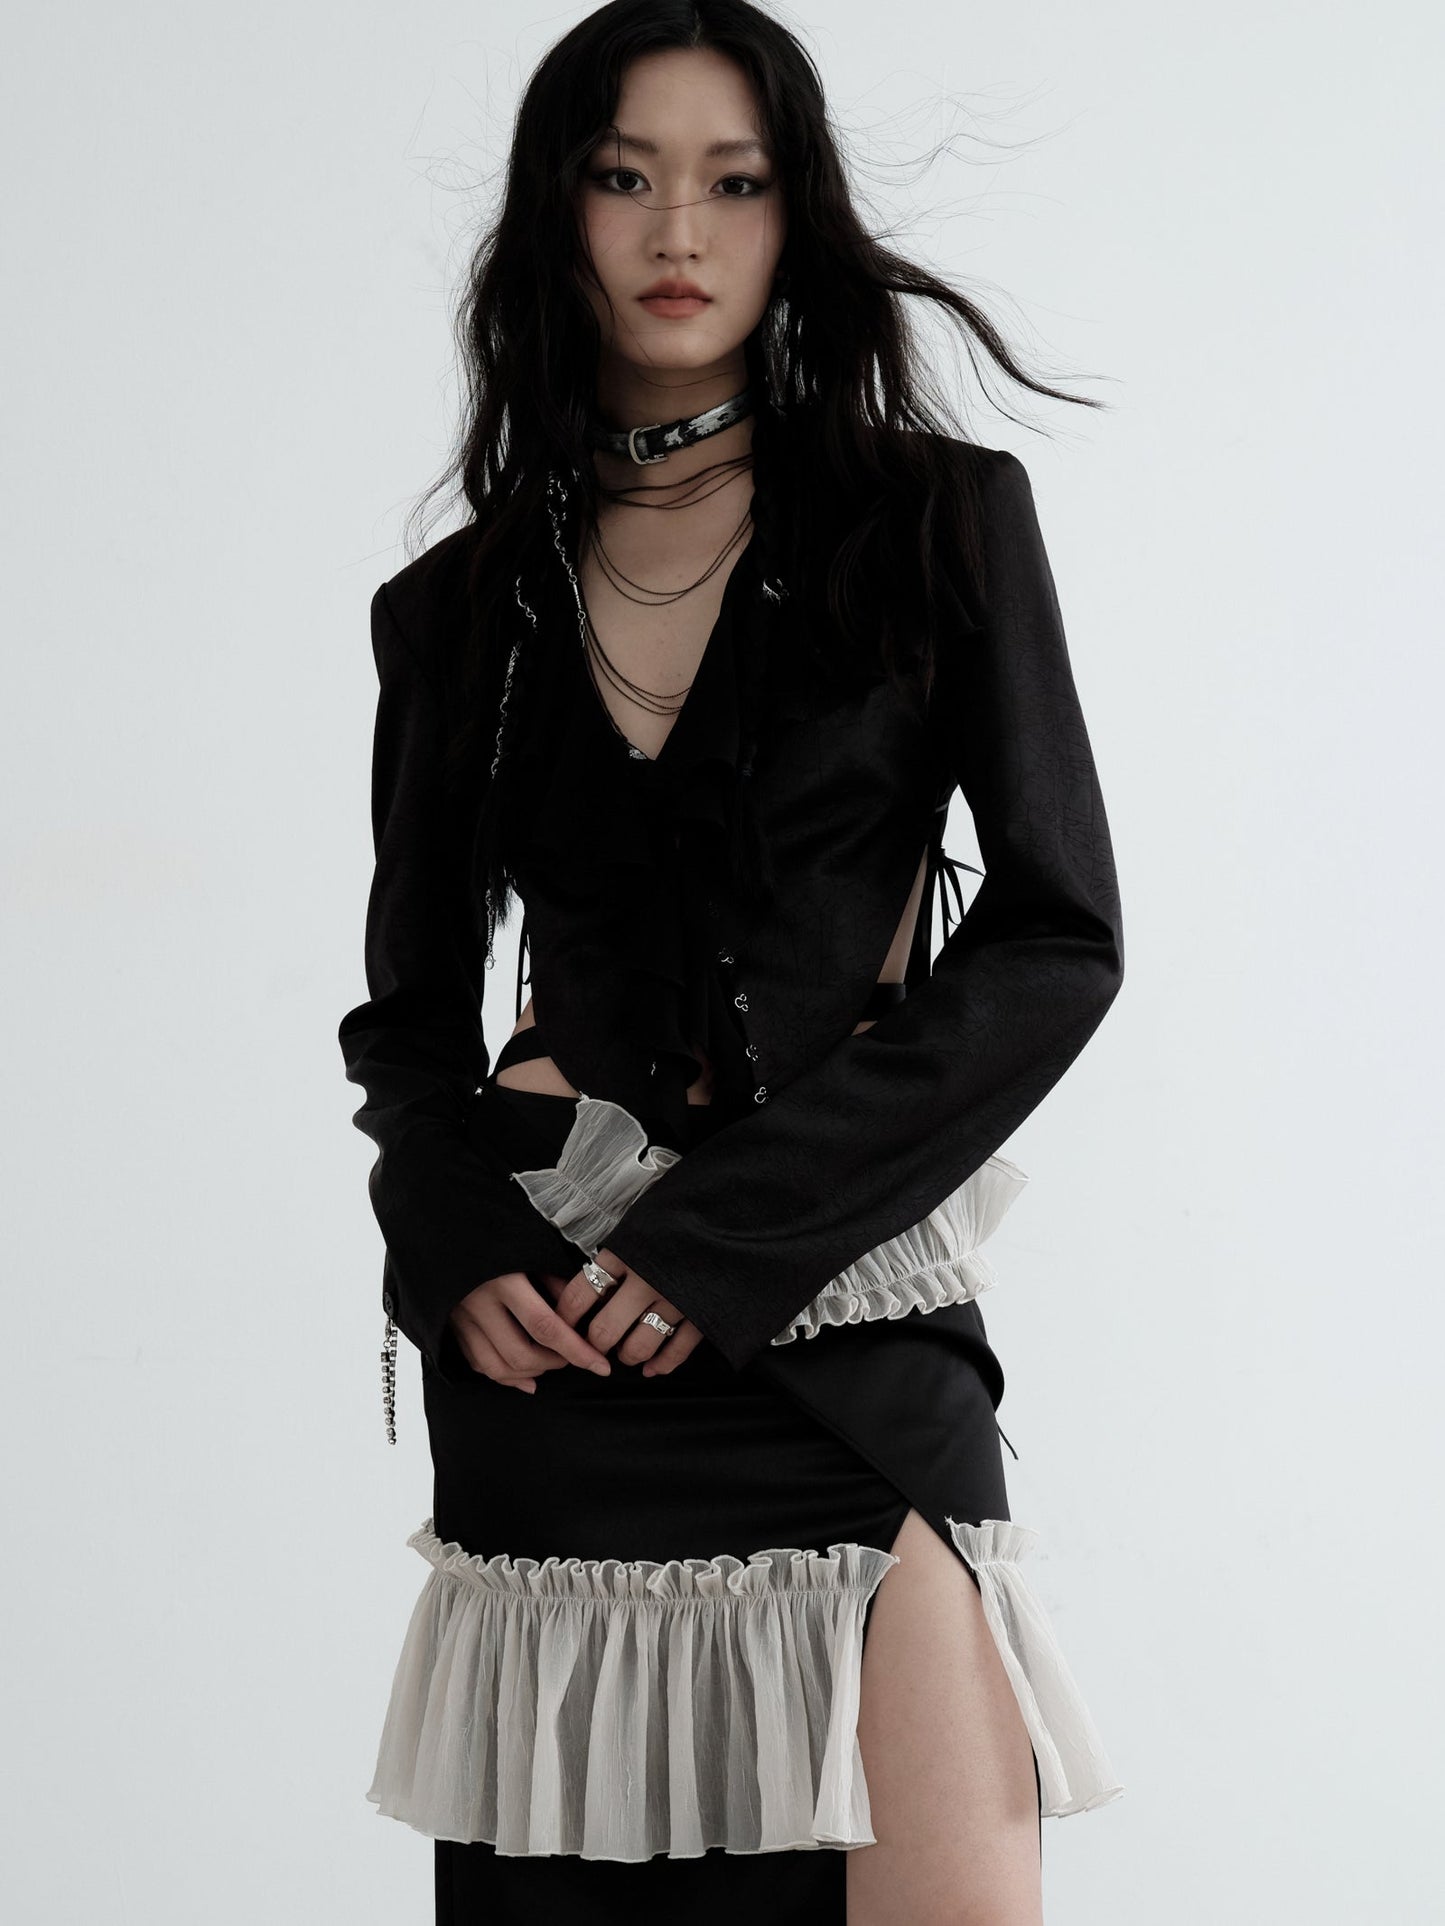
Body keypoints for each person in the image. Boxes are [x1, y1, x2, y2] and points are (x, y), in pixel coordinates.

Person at [337, 4, 1126, 1920]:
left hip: (837, 1311)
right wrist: (451, 1243)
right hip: (554, 1339)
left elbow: (1055, 937)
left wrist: (722, 1239)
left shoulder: (933, 522)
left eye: (734, 180)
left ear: (795, 216)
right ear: (558, 215)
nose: (676, 228)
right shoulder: (458, 609)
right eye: (623, 176)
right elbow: (408, 1022)